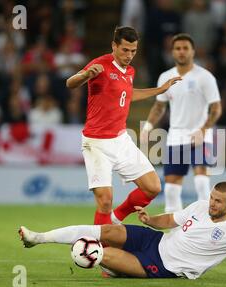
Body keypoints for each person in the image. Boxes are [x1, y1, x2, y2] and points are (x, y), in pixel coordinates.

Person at [19, 182, 226, 280]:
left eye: (218, 201)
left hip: (164, 266)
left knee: (103, 254)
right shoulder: (200, 205)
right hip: (156, 240)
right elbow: (170, 219)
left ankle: (114, 267)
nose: (212, 203)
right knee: (107, 231)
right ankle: (38, 238)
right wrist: (149, 220)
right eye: (212, 198)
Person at [66, 26, 181, 225]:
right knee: (105, 200)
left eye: (133, 51)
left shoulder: (130, 71)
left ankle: (116, 218)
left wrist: (160, 90)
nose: (129, 55)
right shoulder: (100, 64)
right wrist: (85, 76)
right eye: (125, 50)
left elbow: (127, 94)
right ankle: (99, 248)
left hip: (120, 140)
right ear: (114, 46)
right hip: (97, 142)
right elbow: (70, 82)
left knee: (152, 187)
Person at [140, 33, 222, 213]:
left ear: (193, 52)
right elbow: (159, 107)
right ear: (172, 52)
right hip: (176, 136)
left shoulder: (205, 77)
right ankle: (174, 234)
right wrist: (148, 126)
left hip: (200, 135)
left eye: (185, 48)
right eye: (178, 48)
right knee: (170, 190)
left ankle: (204, 227)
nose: (182, 52)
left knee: (201, 182)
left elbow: (216, 108)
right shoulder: (165, 78)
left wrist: (203, 129)